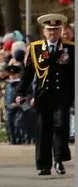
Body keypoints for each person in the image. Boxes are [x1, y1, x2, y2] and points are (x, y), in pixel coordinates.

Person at [26, 13, 74, 176]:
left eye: (55, 30)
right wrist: (21, 92)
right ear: (44, 32)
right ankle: (43, 165)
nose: (52, 33)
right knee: (43, 129)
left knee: (61, 127)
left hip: (62, 95)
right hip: (43, 94)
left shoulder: (70, 48)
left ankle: (59, 160)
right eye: (49, 30)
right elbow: (27, 73)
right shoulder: (35, 48)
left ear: (60, 31)